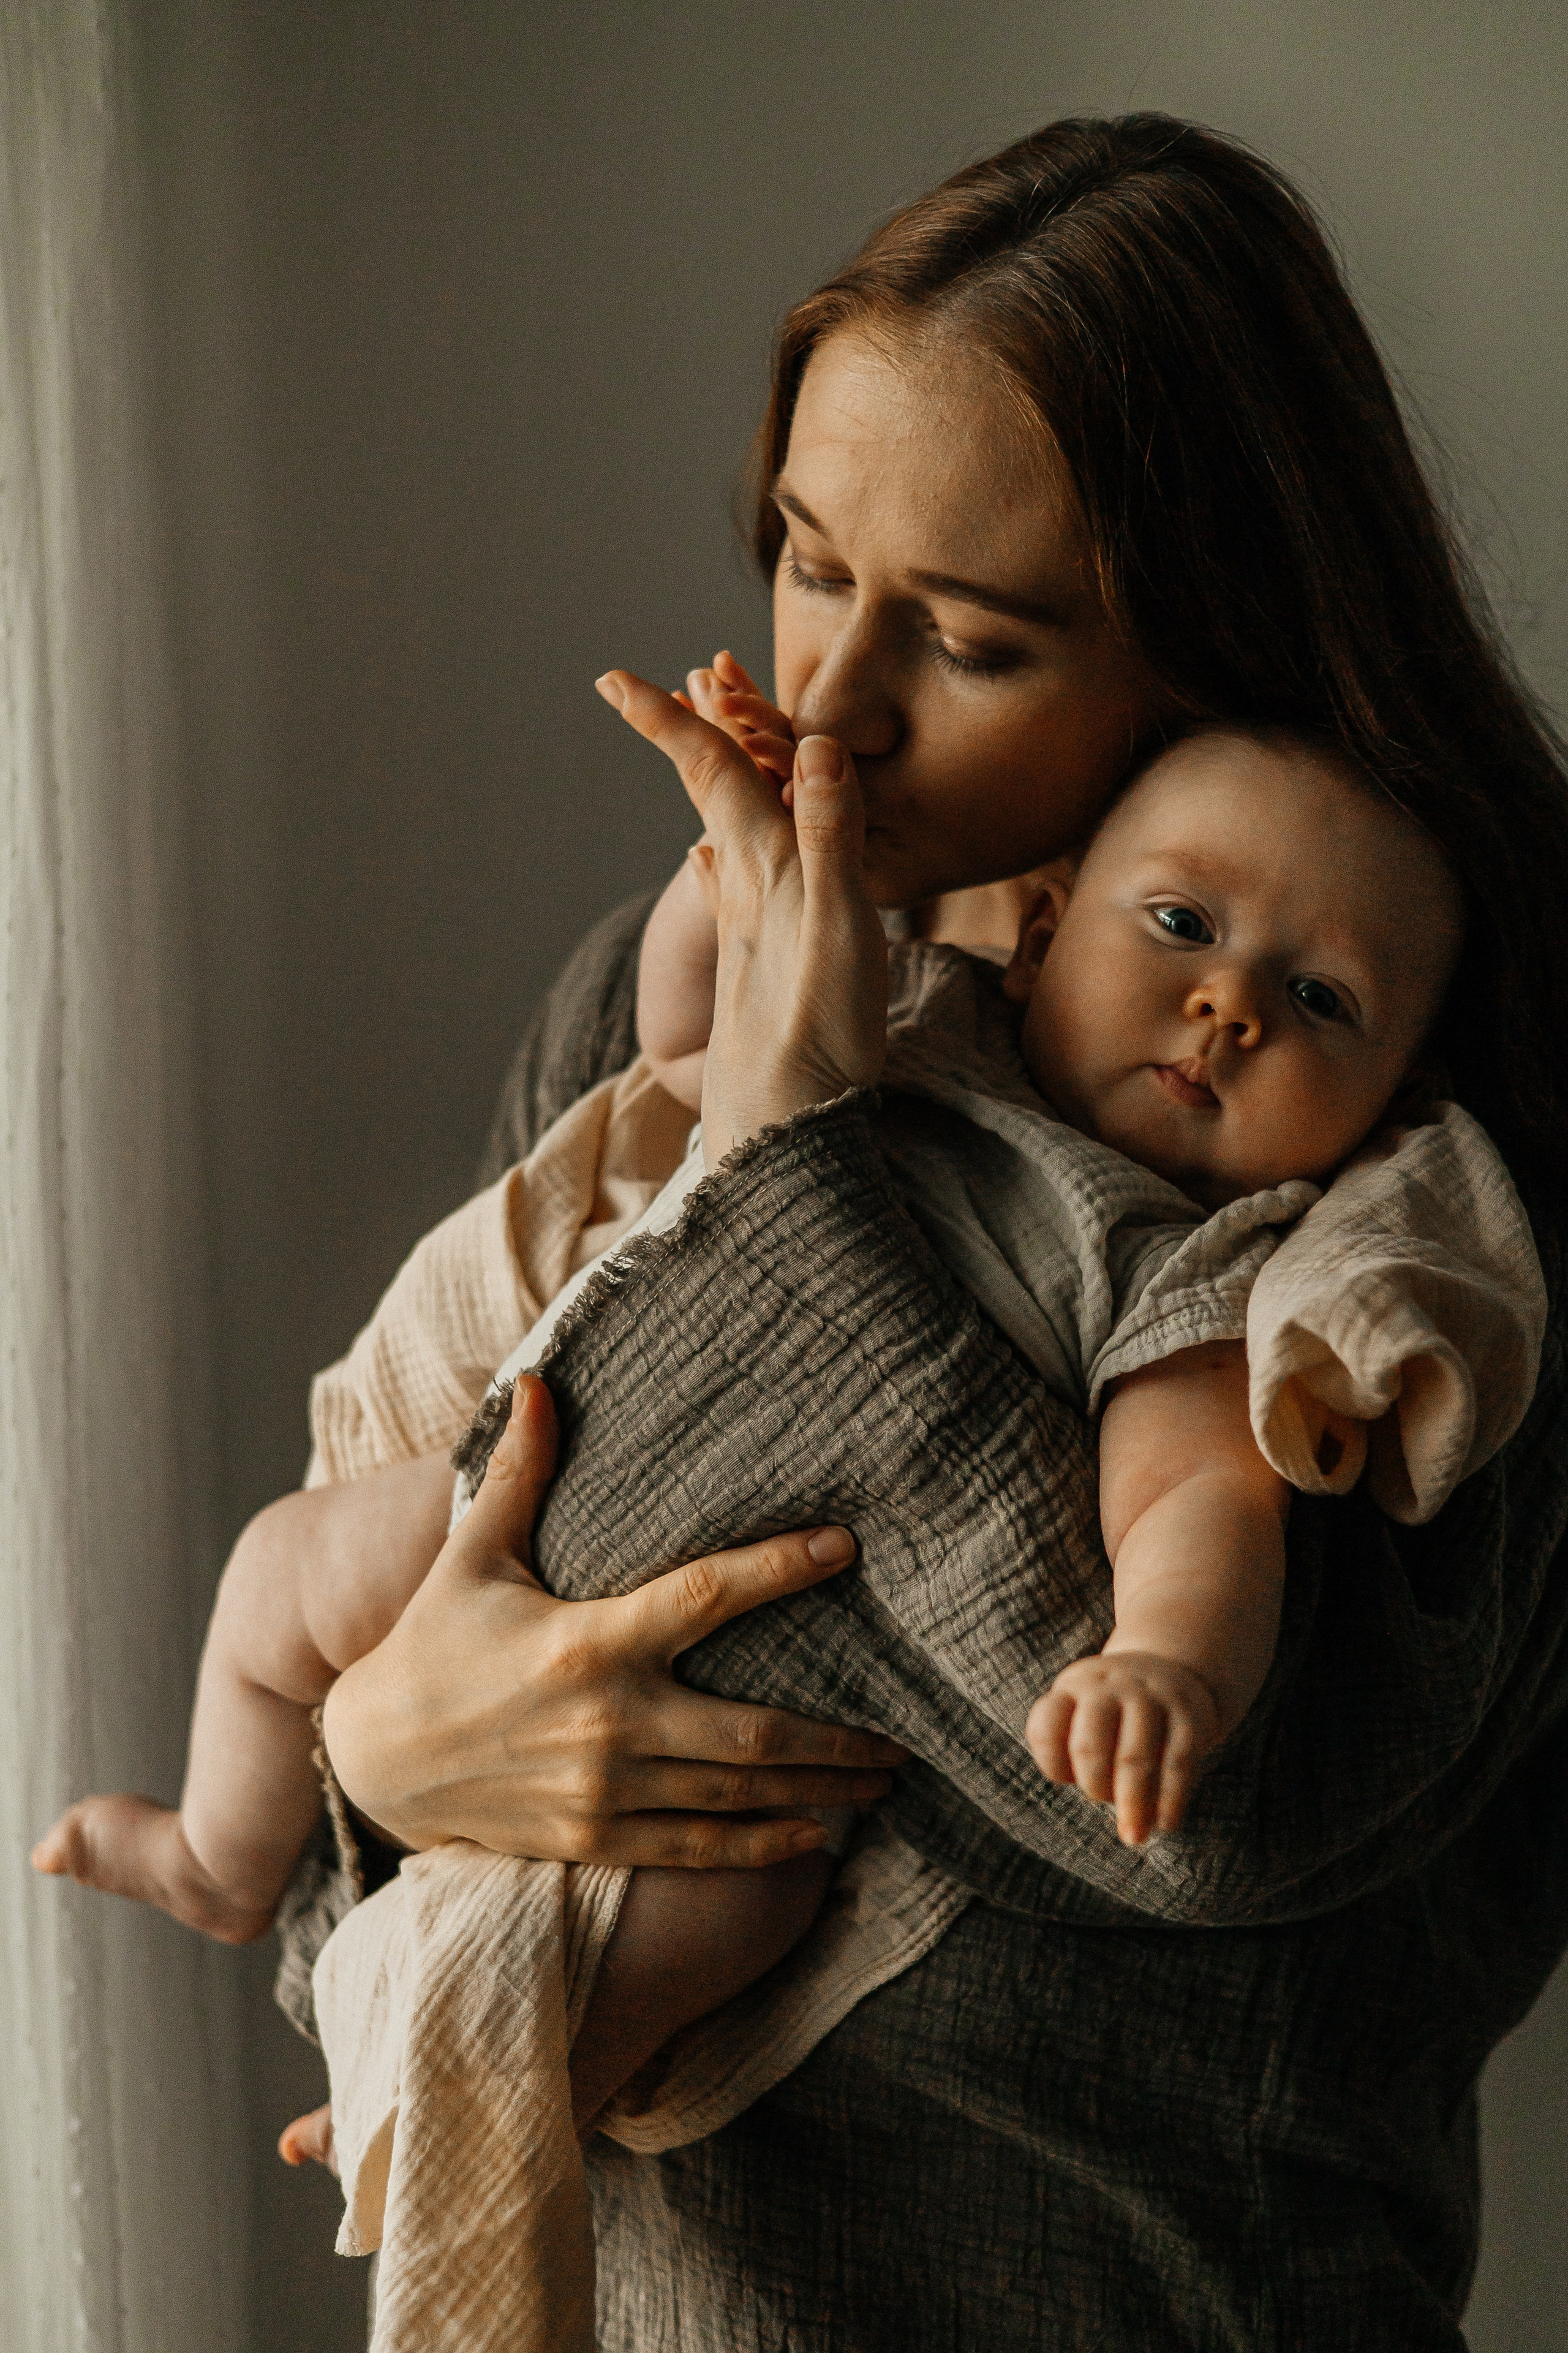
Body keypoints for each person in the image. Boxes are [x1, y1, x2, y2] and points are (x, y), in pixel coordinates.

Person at [58, 113, 1568, 2344]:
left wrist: (789, 1155)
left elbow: (1206, 1818)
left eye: (964, 636)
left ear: (1216, 652)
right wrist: (385, 1759)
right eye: (804, 555)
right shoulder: (647, 993)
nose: (836, 696)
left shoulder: (1397, 1174)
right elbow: (355, 1868)